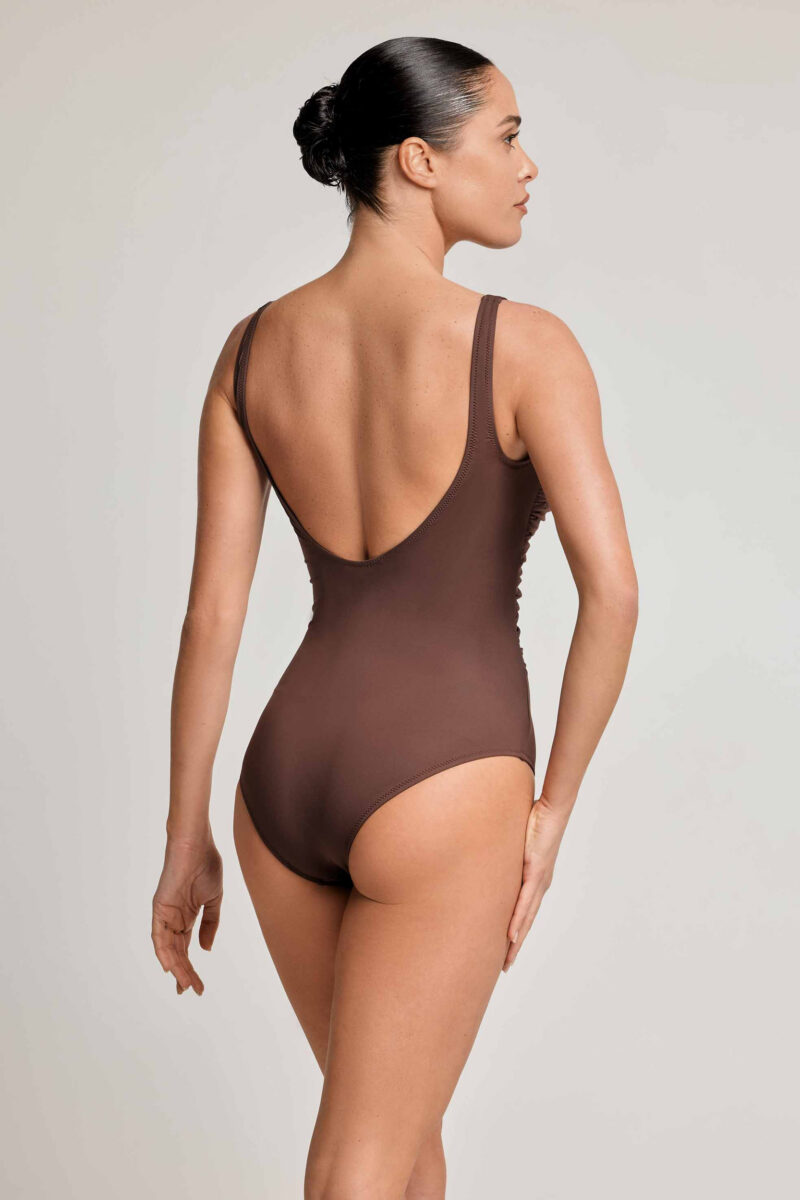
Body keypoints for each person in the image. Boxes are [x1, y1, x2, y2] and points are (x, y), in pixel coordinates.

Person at [151, 35, 638, 1199]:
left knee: (402, 1145)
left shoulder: (250, 349)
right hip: (444, 777)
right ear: (419, 160)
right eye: (506, 137)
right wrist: (552, 808)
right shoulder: (524, 346)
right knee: (361, 1161)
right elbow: (612, 591)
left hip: (279, 786)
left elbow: (213, 612)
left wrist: (184, 833)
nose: (526, 166)